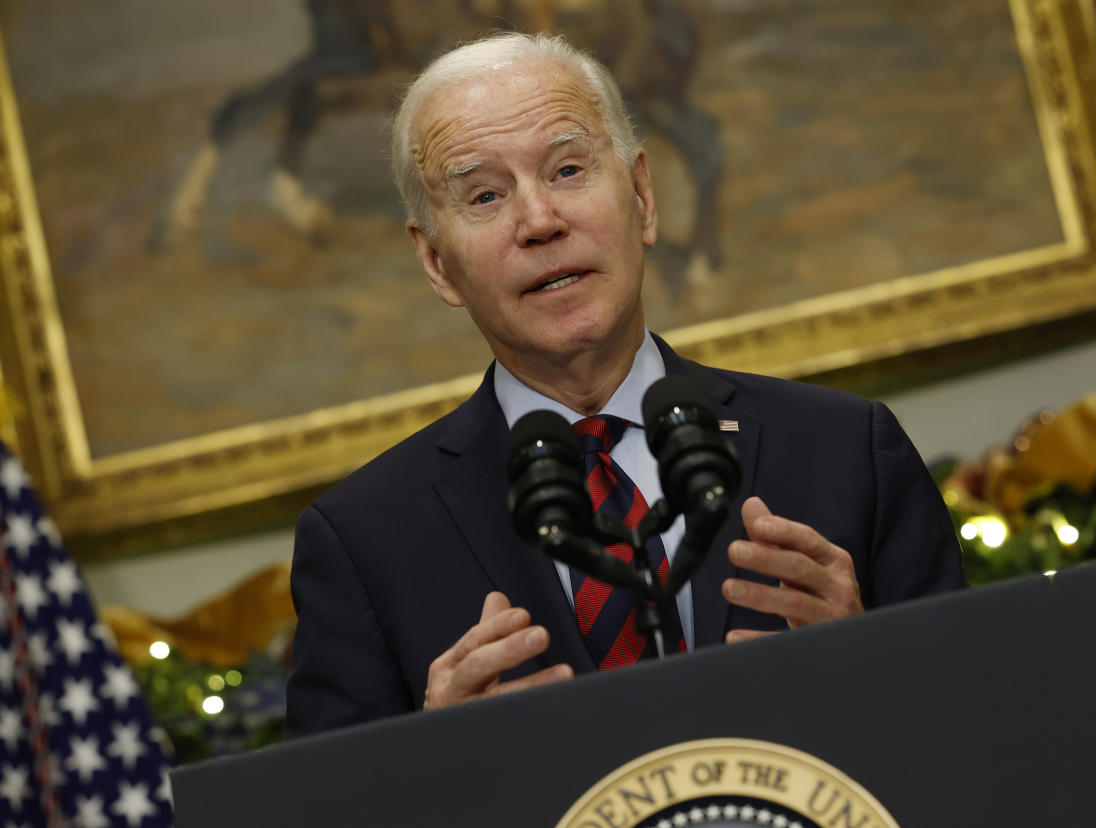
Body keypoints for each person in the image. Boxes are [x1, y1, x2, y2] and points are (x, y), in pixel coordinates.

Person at [285, 32, 963, 738]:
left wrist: (874, 667)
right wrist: (430, 765)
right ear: (435, 262)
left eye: (569, 170)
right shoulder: (363, 542)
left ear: (641, 196)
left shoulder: (846, 449)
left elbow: (979, 731)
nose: (540, 221)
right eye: (485, 195)